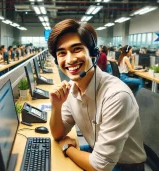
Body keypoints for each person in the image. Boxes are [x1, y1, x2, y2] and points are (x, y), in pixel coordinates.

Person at [48, 19, 146, 171]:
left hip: (124, 166)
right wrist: (56, 105)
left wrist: (68, 148)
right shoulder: (73, 89)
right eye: (62, 53)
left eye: (76, 49)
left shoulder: (116, 95)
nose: (69, 59)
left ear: (93, 53)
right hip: (98, 153)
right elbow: (58, 134)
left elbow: (100, 166)